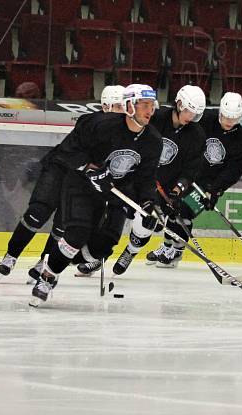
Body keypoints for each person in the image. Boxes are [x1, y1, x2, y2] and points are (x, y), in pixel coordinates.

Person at [29, 84, 162, 305]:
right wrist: (90, 167)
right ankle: (47, 277)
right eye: (145, 105)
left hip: (115, 192)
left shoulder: (153, 141)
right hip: (81, 185)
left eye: (152, 106)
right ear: (130, 106)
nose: (150, 111)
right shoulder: (101, 125)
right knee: (76, 234)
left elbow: (146, 178)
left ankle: (64, 257)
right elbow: (67, 151)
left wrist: (148, 204)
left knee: (103, 247)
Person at [73, 84, 208, 276]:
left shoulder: (196, 135)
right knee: (112, 217)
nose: (191, 117)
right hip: (134, 178)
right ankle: (99, 257)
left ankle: (131, 251)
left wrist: (176, 193)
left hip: (163, 188)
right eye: (188, 111)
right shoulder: (155, 118)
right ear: (178, 104)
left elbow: (191, 170)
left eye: (195, 114)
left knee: (147, 222)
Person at [0, 85, 126, 279]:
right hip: (60, 168)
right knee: (37, 213)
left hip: (82, 180)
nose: (122, 111)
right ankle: (11, 255)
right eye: (117, 106)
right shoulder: (89, 121)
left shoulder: (124, 132)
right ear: (106, 106)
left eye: (124, 106)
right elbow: (76, 153)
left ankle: (44, 262)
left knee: (62, 227)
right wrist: (91, 167)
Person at [145, 91, 242, 268]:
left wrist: (215, 190)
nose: (228, 122)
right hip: (186, 173)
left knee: (183, 211)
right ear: (219, 112)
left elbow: (234, 170)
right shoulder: (204, 119)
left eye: (233, 119)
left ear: (240, 117)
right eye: (225, 116)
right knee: (172, 208)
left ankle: (176, 251)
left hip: (208, 184)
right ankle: (166, 246)